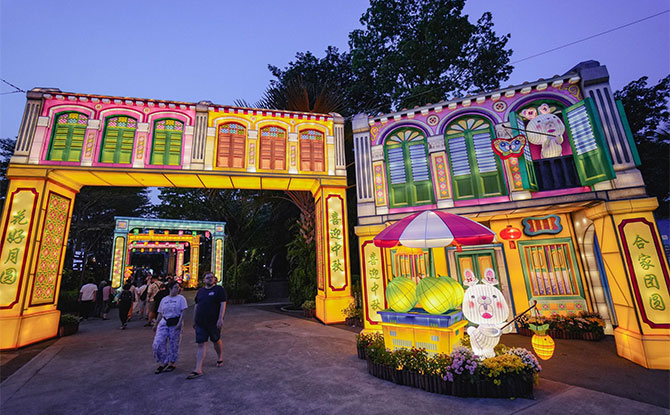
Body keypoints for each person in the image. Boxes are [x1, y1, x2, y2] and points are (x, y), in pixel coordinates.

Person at [187, 271, 227, 379]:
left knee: (216, 340)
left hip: (213, 322)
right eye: (207, 277)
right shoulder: (200, 291)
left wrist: (220, 318)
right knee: (201, 344)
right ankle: (198, 369)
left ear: (215, 279)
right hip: (200, 322)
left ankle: (220, 357)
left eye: (211, 277)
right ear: (203, 280)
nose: (209, 279)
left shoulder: (219, 290)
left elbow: (223, 303)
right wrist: (194, 320)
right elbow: (196, 306)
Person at [152, 281, 188, 374]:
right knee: (158, 343)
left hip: (175, 322)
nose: (178, 289)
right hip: (164, 322)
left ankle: (172, 362)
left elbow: (183, 311)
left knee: (173, 343)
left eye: (178, 287)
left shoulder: (181, 299)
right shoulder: (164, 299)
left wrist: (180, 323)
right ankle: (163, 361)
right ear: (170, 289)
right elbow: (160, 313)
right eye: (176, 287)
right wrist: (156, 324)